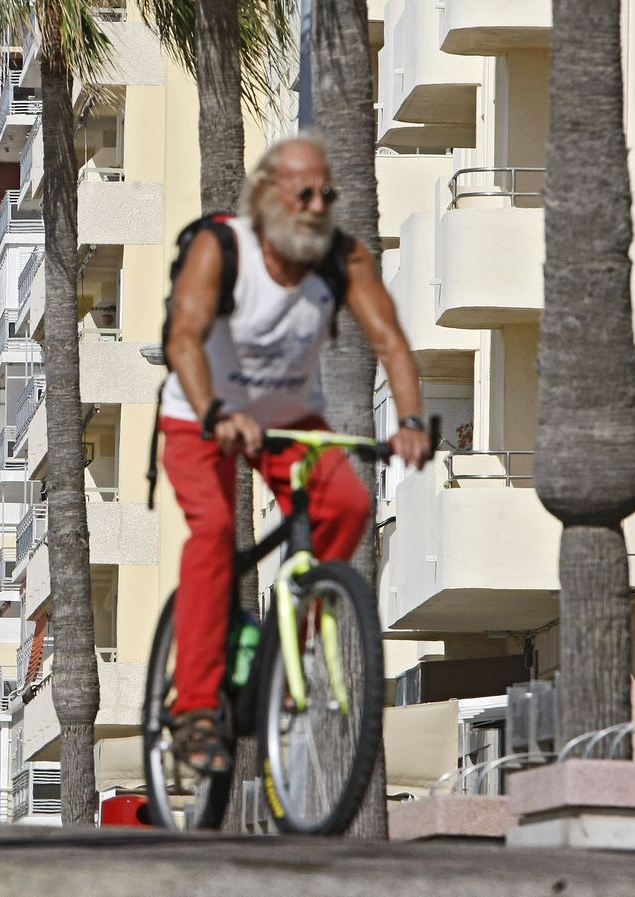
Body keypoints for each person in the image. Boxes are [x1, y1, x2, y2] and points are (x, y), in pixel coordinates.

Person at [160, 137, 430, 773]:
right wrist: (217, 415)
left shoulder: (342, 257)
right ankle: (196, 708)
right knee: (216, 530)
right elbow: (184, 337)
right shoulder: (223, 249)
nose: (315, 206)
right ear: (264, 197)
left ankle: (288, 654)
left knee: (348, 502)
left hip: (287, 422)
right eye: (301, 193)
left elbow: (390, 341)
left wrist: (413, 420)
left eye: (325, 194)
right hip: (200, 416)